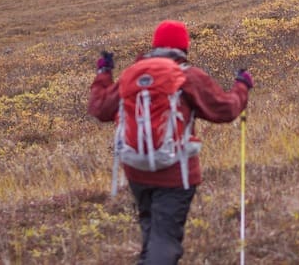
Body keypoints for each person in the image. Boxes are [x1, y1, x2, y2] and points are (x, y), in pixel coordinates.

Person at [89, 20, 253, 265]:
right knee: (165, 239)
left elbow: (100, 108)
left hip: (136, 170)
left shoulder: (132, 74)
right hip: (177, 174)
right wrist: (242, 86)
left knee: (151, 230)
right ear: (184, 47)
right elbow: (225, 110)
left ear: (154, 45)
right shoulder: (186, 75)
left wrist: (103, 74)